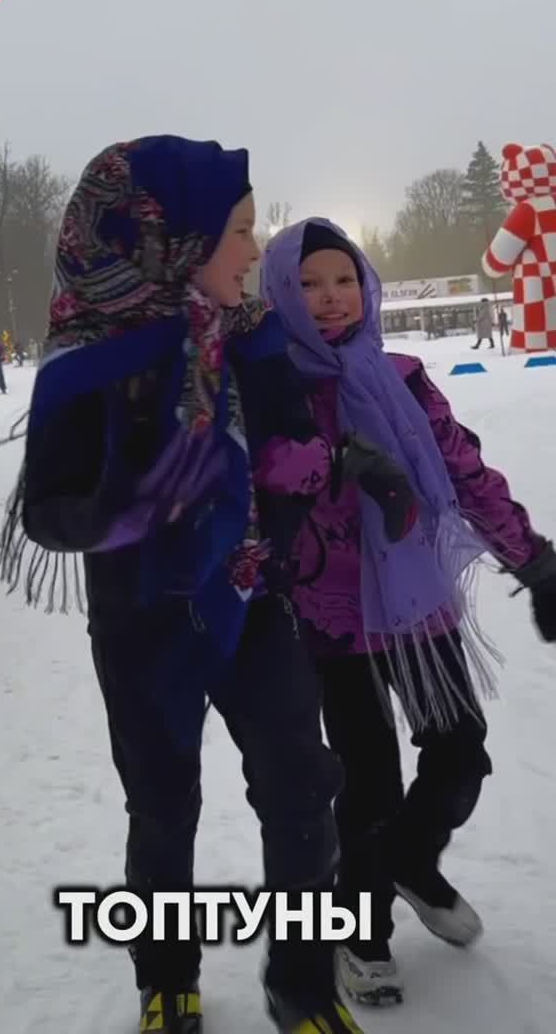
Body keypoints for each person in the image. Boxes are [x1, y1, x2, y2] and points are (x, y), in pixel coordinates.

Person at [0, 139, 379, 1034]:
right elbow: (48, 512)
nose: (255, 250)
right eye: (237, 230)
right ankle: (166, 980)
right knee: (163, 808)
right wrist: (129, 506)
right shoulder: (88, 353)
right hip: (143, 617)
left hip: (254, 598)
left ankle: (301, 982)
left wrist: (301, 465)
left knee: (301, 788)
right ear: (172, 238)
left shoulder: (253, 331)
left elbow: (293, 440)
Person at [257, 217, 556, 1007]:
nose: (330, 298)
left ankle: (409, 863)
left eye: (344, 280)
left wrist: (532, 558)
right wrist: (332, 461)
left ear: (367, 286)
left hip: (417, 606)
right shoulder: (270, 385)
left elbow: (465, 473)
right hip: (330, 616)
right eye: (309, 284)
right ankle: (363, 933)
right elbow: (259, 477)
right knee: (369, 784)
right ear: (281, 293)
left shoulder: (405, 378)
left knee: (460, 753)